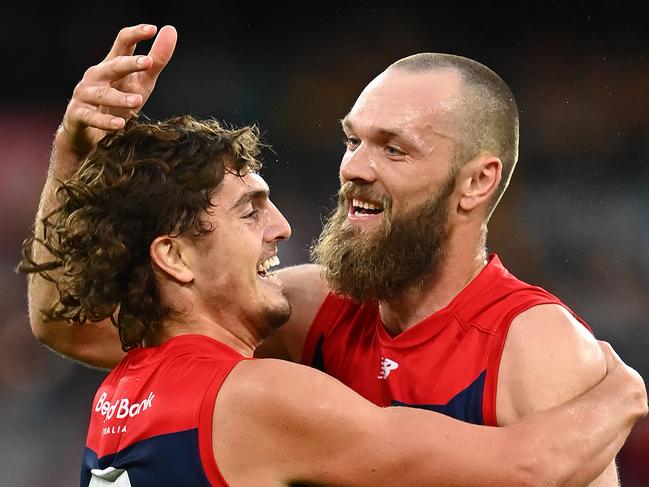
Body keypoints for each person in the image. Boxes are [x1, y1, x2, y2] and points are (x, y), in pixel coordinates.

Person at [21, 23, 646, 485]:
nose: (354, 168)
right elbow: (71, 325)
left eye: (393, 149)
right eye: (353, 140)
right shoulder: (308, 311)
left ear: (477, 182)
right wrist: (620, 395)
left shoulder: (534, 346)